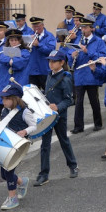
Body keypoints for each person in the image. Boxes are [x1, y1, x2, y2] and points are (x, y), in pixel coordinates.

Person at [34, 50, 78, 187]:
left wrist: (57, 107)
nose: (51, 64)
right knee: (45, 145)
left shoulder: (66, 77)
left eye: (54, 61)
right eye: (50, 61)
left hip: (59, 116)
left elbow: (69, 100)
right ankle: (44, 174)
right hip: (47, 116)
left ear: (62, 62)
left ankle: (73, 165)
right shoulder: (49, 75)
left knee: (63, 140)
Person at [0, 83, 37, 210]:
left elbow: (33, 126)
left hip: (18, 145)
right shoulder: (4, 111)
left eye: (7, 99)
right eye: (3, 99)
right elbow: (2, 125)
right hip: (6, 143)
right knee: (3, 174)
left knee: (8, 170)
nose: (4, 101)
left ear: (15, 99)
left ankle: (13, 198)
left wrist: (25, 131)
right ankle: (22, 182)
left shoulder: (25, 112)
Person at [0, 29, 31, 123]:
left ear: (20, 41)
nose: (13, 42)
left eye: (16, 40)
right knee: (4, 118)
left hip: (15, 90)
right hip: (2, 88)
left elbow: (17, 63)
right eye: (11, 40)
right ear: (8, 41)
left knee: (16, 119)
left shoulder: (25, 52)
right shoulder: (3, 53)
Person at [69, 17, 106, 133]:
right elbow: (71, 60)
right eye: (82, 28)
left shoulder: (99, 41)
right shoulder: (77, 41)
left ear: (91, 28)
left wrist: (87, 52)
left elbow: (101, 57)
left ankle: (98, 123)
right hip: (80, 75)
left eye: (85, 27)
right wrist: (72, 57)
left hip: (91, 74)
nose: (83, 30)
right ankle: (78, 126)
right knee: (79, 102)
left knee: (94, 101)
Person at [27, 17, 57, 91]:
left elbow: (51, 50)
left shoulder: (49, 36)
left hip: (44, 70)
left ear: (42, 25)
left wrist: (38, 45)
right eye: (34, 26)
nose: (36, 28)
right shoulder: (30, 36)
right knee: (33, 95)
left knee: (48, 93)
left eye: (38, 26)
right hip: (32, 71)